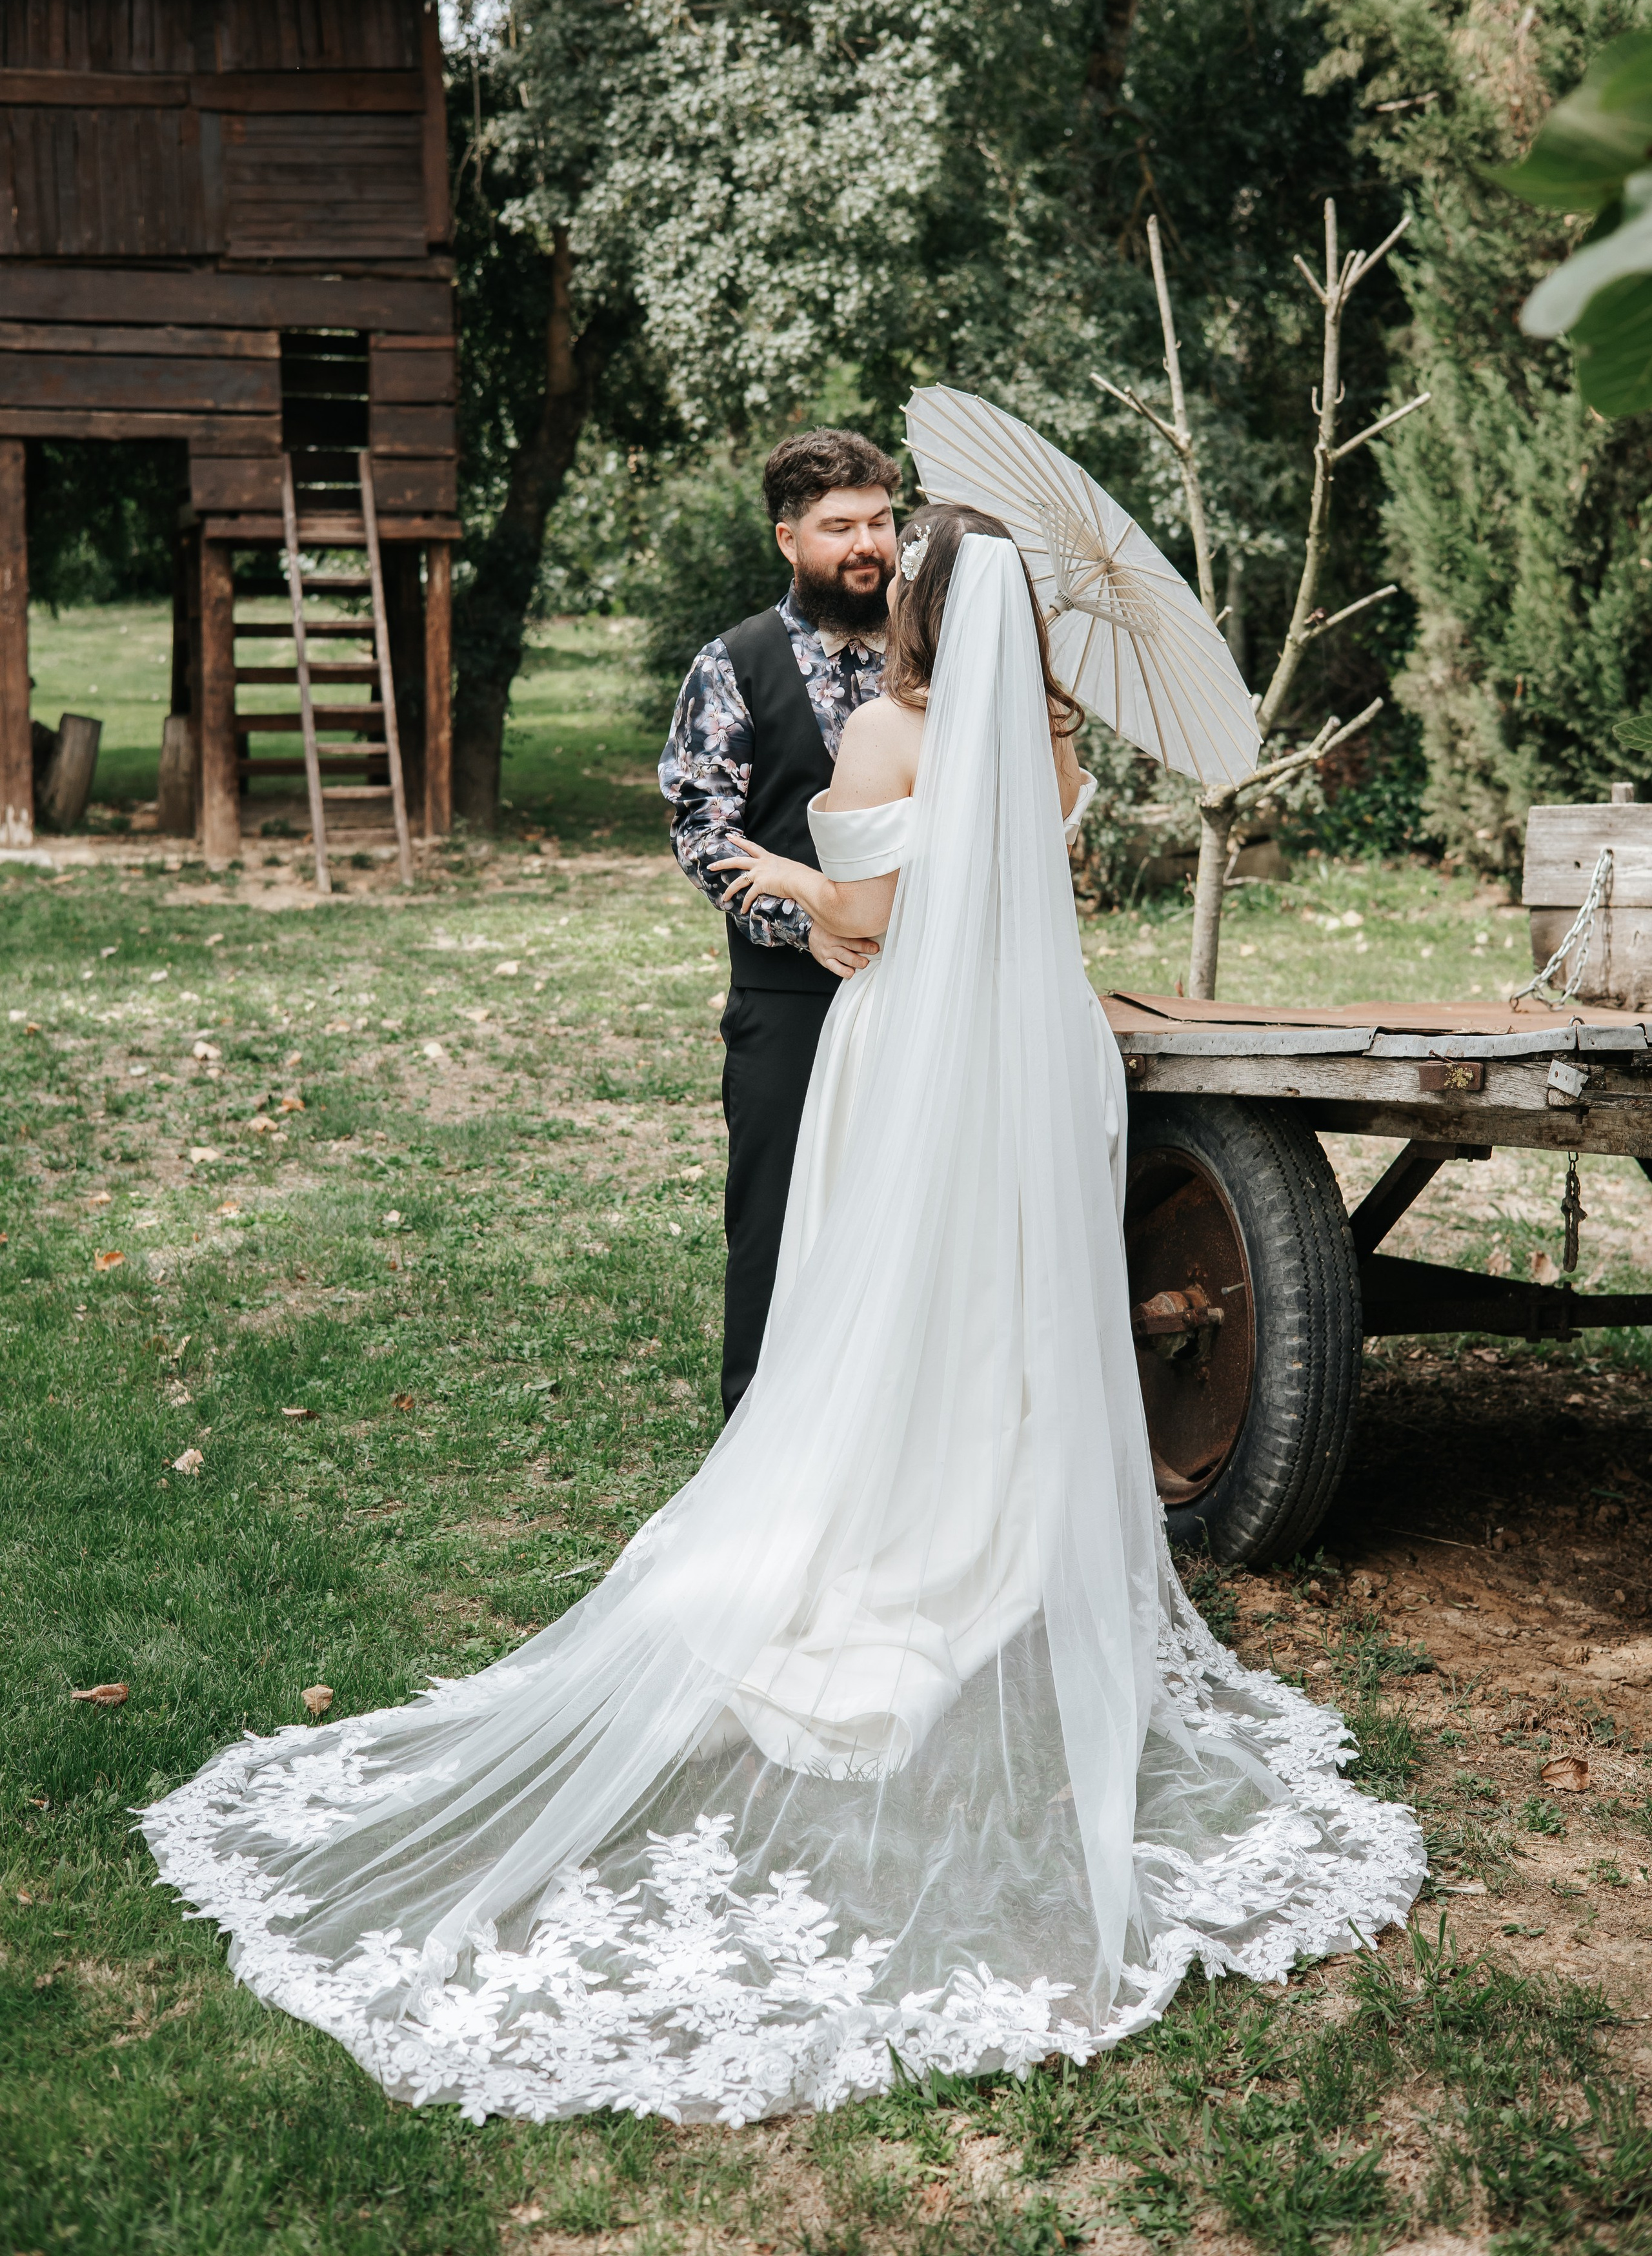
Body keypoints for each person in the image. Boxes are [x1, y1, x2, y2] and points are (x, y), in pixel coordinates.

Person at [140, 506, 1424, 2131]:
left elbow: (873, 929)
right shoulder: (1047, 746)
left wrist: (778, 874)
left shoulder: (892, 726)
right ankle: (1006, 1527)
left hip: (911, 1061)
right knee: (1002, 1303)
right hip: (1040, 1062)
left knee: (892, 1298)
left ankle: (885, 1522)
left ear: (924, 603)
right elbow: (1018, 896)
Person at [659, 427, 899, 1418]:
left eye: (881, 521)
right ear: (787, 539)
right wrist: (806, 928)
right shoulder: (736, 663)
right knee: (775, 1212)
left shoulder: (937, 658)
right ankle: (756, 1429)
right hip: (790, 992)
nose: (867, 545)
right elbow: (701, 827)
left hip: (927, 979)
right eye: (839, 526)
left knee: (907, 1210)